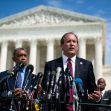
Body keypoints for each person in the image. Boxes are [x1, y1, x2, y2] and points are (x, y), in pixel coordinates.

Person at [42, 32, 101, 111]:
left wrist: (97, 98)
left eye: (74, 41)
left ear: (77, 46)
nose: (72, 44)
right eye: (68, 41)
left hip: (81, 108)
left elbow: (92, 91)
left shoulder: (87, 65)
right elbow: (45, 89)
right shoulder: (51, 65)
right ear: (62, 46)